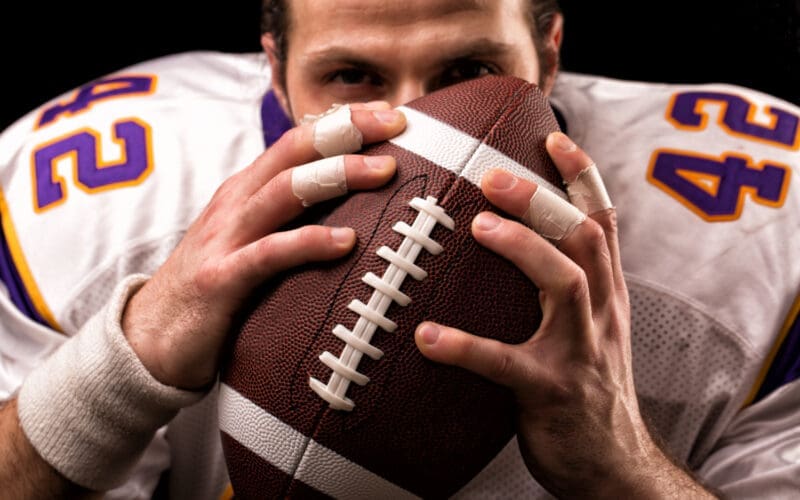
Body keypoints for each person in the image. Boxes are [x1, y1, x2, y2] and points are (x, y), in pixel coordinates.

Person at [0, 0, 797, 498]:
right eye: (351, 76)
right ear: (273, 70)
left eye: (471, 69)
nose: (425, 128)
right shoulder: (95, 202)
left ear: (549, 54)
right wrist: (124, 363)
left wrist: (623, 472)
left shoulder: (759, 228)